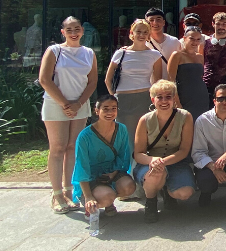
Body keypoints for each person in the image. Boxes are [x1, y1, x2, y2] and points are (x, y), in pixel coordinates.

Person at [38, 16, 98, 214]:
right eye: (69, 29)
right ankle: (56, 195)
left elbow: (92, 82)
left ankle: (69, 191)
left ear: (82, 31)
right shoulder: (54, 51)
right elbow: (44, 79)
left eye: (77, 28)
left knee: (72, 147)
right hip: (56, 105)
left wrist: (78, 103)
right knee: (58, 148)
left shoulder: (88, 53)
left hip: (80, 104)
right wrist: (65, 103)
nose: (74, 32)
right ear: (62, 32)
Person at [133, 80, 195, 223]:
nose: (164, 101)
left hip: (176, 161)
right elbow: (138, 153)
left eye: (168, 96)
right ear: (153, 99)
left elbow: (184, 150)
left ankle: (168, 192)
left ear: (174, 98)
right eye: (159, 97)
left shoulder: (185, 117)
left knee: (185, 193)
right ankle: (151, 202)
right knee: (157, 172)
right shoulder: (145, 120)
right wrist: (153, 161)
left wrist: (163, 161)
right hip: (149, 164)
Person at [72, 95, 136, 217]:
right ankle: (97, 201)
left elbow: (123, 155)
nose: (110, 112)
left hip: (112, 172)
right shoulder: (85, 136)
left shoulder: (121, 129)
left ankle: (108, 199)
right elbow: (81, 167)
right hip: (91, 177)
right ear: (97, 111)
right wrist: (88, 196)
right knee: (107, 196)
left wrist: (114, 173)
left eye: (114, 108)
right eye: (105, 109)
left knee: (128, 187)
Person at [105, 19, 162, 154]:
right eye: (138, 31)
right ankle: (126, 171)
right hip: (123, 100)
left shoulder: (154, 55)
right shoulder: (121, 53)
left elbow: (157, 82)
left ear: (149, 35)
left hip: (144, 99)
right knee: (125, 138)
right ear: (132, 33)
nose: (141, 35)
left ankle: (141, 169)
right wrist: (114, 98)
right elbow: (108, 79)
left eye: (145, 32)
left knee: (143, 136)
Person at [167, 25, 208, 122]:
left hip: (201, 97)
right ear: (184, 38)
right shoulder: (177, 55)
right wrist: (176, 101)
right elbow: (171, 81)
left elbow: (200, 77)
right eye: (192, 39)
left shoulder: (200, 57)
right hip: (184, 97)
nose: (195, 42)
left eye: (198, 39)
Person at [203, 12, 226, 104]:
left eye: (224, 24)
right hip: (207, 88)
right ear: (213, 24)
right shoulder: (204, 43)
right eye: (218, 24)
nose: (221, 27)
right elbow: (200, 64)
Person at [145, 7, 182, 81]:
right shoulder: (144, 43)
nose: (155, 23)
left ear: (163, 22)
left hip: (170, 86)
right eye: (151, 20)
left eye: (158, 19)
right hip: (150, 86)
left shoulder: (174, 41)